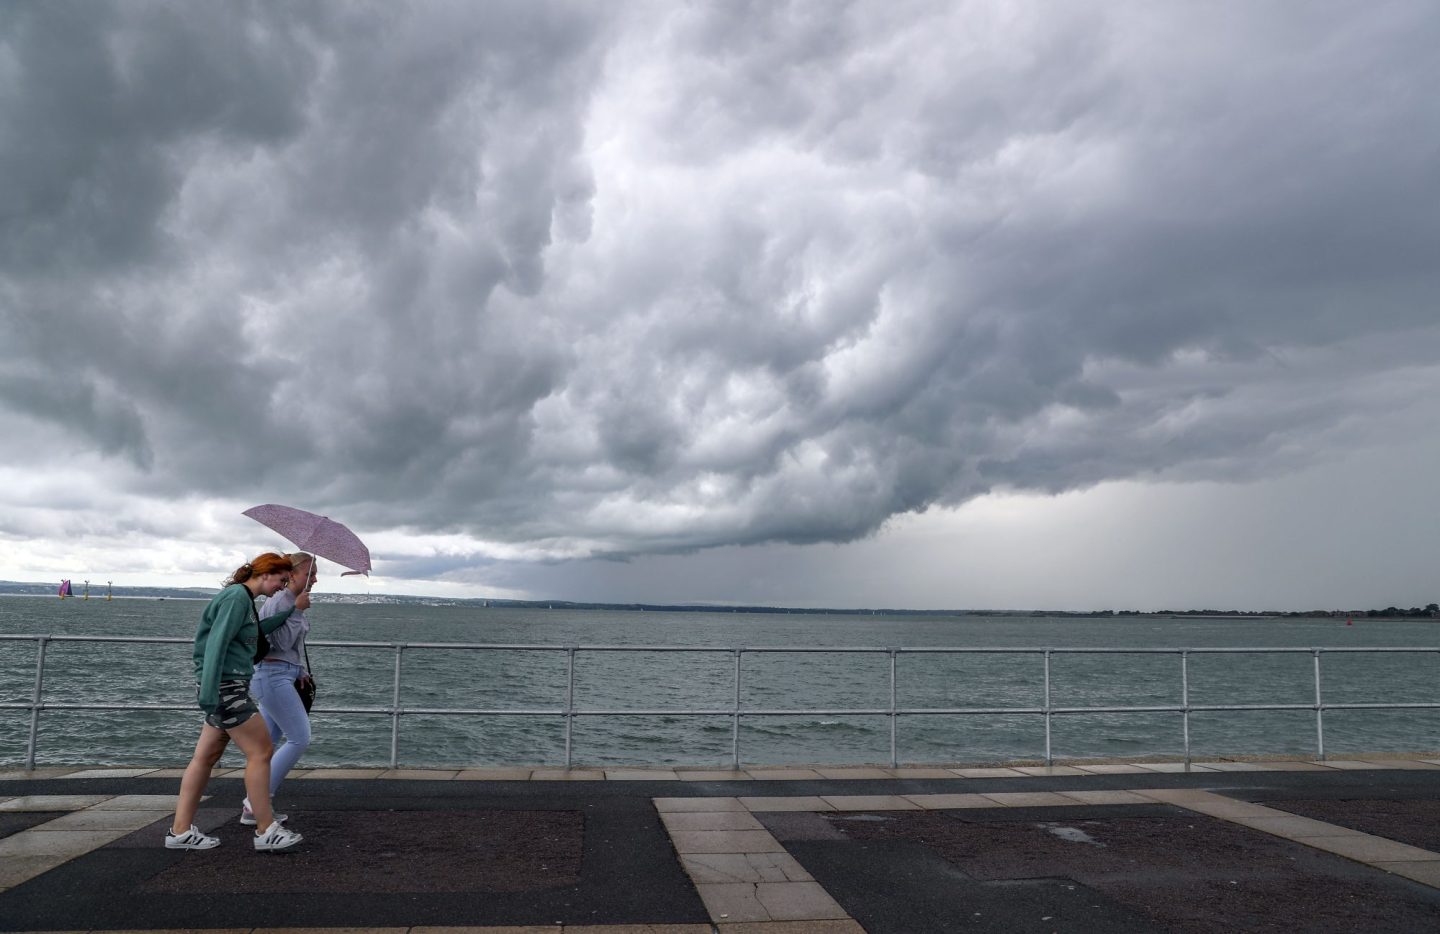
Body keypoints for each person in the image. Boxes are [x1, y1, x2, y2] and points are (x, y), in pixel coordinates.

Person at [166, 553, 305, 852]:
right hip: (226, 687)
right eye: (281, 580)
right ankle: (266, 829)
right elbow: (217, 642)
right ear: (265, 574)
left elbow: (255, 633)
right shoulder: (237, 598)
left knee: (204, 758)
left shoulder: (242, 599)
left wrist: (289, 612)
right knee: (262, 750)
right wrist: (209, 693)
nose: (282, 587)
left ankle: (180, 832)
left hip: (224, 686)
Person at [247, 551, 317, 823]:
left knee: (267, 745)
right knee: (299, 738)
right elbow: (281, 643)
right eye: (310, 572)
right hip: (271, 675)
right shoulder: (281, 601)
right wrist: (298, 611)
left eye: (315, 573)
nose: (315, 578)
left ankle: (252, 805)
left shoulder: (290, 600)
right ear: (292, 574)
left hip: (281, 674)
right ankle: (257, 803)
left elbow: (290, 648)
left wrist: (299, 669)